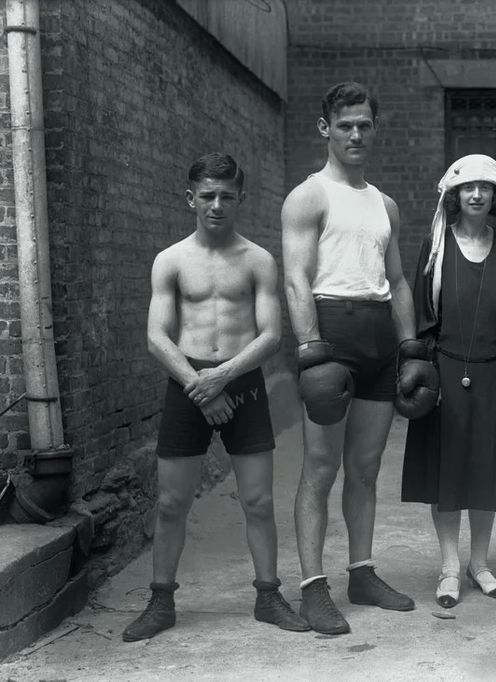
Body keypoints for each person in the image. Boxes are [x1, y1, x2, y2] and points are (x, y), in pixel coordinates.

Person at [124, 153, 307, 641]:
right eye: (207, 196)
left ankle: (268, 596)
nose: (217, 205)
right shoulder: (171, 260)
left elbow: (271, 335)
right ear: (191, 198)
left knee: (258, 500)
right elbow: (157, 337)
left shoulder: (258, 260)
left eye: (227, 196)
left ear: (240, 197)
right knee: (171, 503)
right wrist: (201, 388)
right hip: (188, 383)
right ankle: (161, 602)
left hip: (241, 381)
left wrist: (221, 378)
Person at [282, 82, 430, 635]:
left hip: (378, 338)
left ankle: (362, 574)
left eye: (364, 125)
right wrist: (310, 349)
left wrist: (410, 347)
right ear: (326, 128)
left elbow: (397, 281)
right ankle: (312, 588)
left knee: (365, 468)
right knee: (320, 468)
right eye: (345, 125)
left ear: (375, 128)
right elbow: (296, 278)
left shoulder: (384, 204)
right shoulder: (309, 196)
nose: (355, 134)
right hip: (331, 333)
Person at [401, 154, 496, 608]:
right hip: (445, 370)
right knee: (447, 470)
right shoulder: (436, 245)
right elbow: (423, 312)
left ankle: (480, 564)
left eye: (485, 188)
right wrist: (424, 372)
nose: (476, 195)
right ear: (454, 195)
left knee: (485, 469)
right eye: (467, 188)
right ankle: (449, 567)